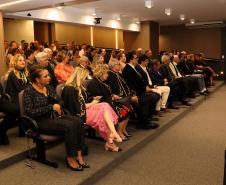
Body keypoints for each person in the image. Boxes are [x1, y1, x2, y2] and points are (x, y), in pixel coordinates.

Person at [23, 65, 88, 171]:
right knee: (70, 126)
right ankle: (70, 158)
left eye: (48, 75)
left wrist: (56, 103)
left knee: (78, 121)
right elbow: (30, 112)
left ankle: (78, 155)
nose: (49, 78)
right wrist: (51, 107)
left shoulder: (49, 88)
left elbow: (61, 102)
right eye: (45, 76)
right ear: (37, 79)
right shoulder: (29, 92)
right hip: (40, 121)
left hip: (55, 117)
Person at [62, 67, 122, 152]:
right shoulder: (69, 89)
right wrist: (93, 103)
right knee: (104, 112)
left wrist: (93, 99)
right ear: (79, 77)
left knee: (105, 106)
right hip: (79, 115)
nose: (85, 80)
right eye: (84, 78)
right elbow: (77, 107)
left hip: (86, 110)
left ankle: (112, 135)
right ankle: (111, 138)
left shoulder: (79, 87)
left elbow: (84, 100)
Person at [87, 64, 132, 136]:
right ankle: (119, 132)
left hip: (108, 102)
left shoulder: (102, 81)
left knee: (129, 108)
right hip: (102, 106)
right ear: (101, 73)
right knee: (124, 110)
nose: (108, 75)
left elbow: (107, 94)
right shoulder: (94, 83)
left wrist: (112, 96)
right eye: (106, 73)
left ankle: (122, 130)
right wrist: (112, 97)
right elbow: (99, 98)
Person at [122, 52, 160, 129]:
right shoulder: (127, 69)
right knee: (147, 98)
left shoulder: (134, 67)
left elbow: (140, 80)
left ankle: (148, 117)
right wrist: (143, 89)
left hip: (140, 89)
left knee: (156, 95)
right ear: (131, 59)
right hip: (136, 92)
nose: (137, 59)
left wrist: (146, 87)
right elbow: (131, 84)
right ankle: (143, 122)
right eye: (136, 58)